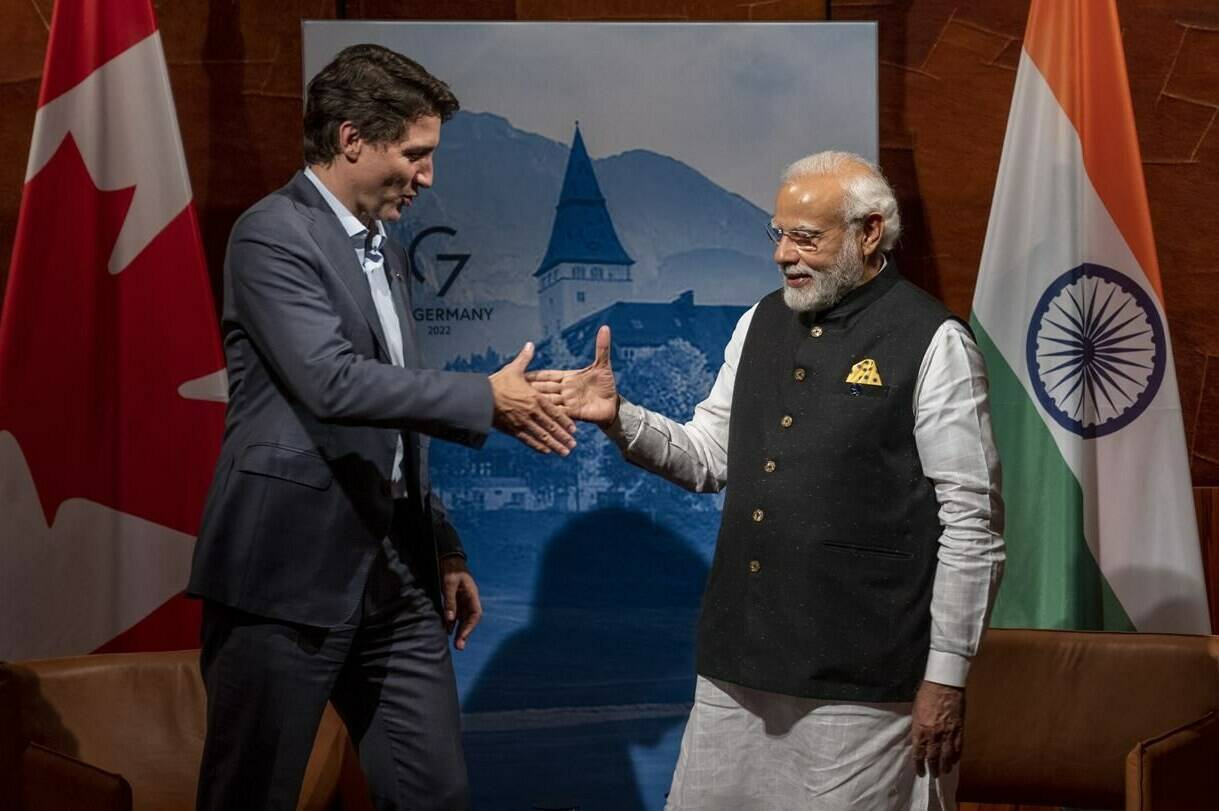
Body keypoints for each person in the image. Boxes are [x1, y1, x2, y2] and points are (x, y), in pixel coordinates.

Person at [529, 151, 1005, 810]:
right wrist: (618, 417)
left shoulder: (934, 341)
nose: (783, 254)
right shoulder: (756, 322)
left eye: (805, 237)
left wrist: (945, 677)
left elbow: (972, 527)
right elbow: (705, 457)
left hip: (864, 680)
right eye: (777, 234)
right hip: (737, 666)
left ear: (870, 232)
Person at [186, 43, 575, 811]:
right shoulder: (271, 233)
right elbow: (330, 381)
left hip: (395, 576)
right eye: (415, 154)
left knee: (435, 793)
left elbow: (395, 426)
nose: (428, 177)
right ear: (352, 139)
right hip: (283, 576)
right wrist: (484, 398)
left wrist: (444, 547)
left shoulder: (389, 254)